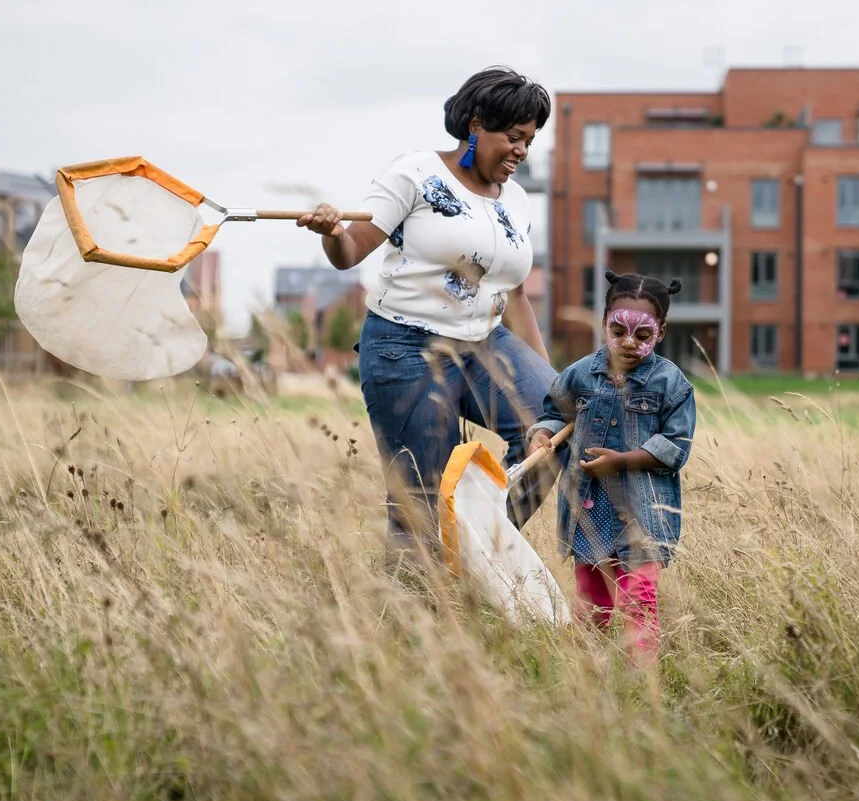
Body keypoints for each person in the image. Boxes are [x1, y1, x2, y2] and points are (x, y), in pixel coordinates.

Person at [298, 66, 559, 553]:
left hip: (486, 343)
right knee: (419, 501)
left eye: (530, 140)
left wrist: (553, 381)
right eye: (514, 137)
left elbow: (517, 292)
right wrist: (332, 233)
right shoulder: (415, 174)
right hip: (405, 345)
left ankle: (482, 549)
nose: (522, 151)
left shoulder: (517, 200)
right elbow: (351, 250)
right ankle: (412, 610)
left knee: (556, 424)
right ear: (476, 124)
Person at [527, 271, 696, 660]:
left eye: (643, 335)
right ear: (603, 322)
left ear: (661, 332)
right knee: (592, 601)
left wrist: (622, 462)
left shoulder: (671, 384)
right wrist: (543, 434)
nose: (629, 343)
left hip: (641, 515)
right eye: (618, 331)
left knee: (639, 597)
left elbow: (676, 446)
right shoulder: (581, 373)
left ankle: (642, 676)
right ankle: (592, 668)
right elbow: (555, 413)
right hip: (588, 511)